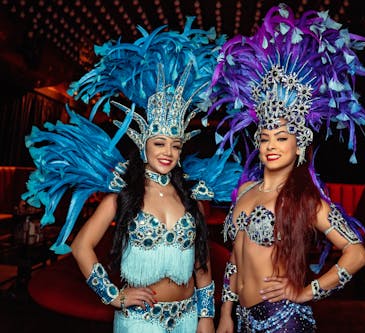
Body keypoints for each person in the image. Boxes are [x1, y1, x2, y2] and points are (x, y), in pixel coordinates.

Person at [22, 19, 231, 333]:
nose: (167, 152)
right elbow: (81, 247)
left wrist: (205, 316)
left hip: (188, 316)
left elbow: (201, 259)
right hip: (140, 319)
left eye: (175, 146)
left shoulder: (191, 193)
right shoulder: (122, 193)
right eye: (159, 143)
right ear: (143, 144)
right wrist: (114, 296)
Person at [207, 4, 365, 332]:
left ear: (299, 145)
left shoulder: (305, 198)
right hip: (241, 320)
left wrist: (306, 291)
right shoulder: (245, 191)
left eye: (281, 138)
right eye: (265, 138)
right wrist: (226, 314)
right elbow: (235, 260)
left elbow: (357, 254)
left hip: (281, 320)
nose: (271, 145)